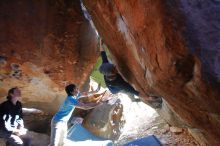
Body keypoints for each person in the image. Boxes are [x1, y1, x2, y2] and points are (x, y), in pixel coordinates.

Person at [98, 39, 162, 107]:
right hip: (115, 90)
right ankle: (133, 99)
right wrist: (148, 98)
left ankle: (132, 98)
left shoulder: (105, 67)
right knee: (128, 91)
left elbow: (103, 54)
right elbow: (134, 92)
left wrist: (100, 43)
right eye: (115, 67)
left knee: (128, 90)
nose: (115, 66)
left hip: (111, 84)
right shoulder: (119, 83)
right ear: (114, 72)